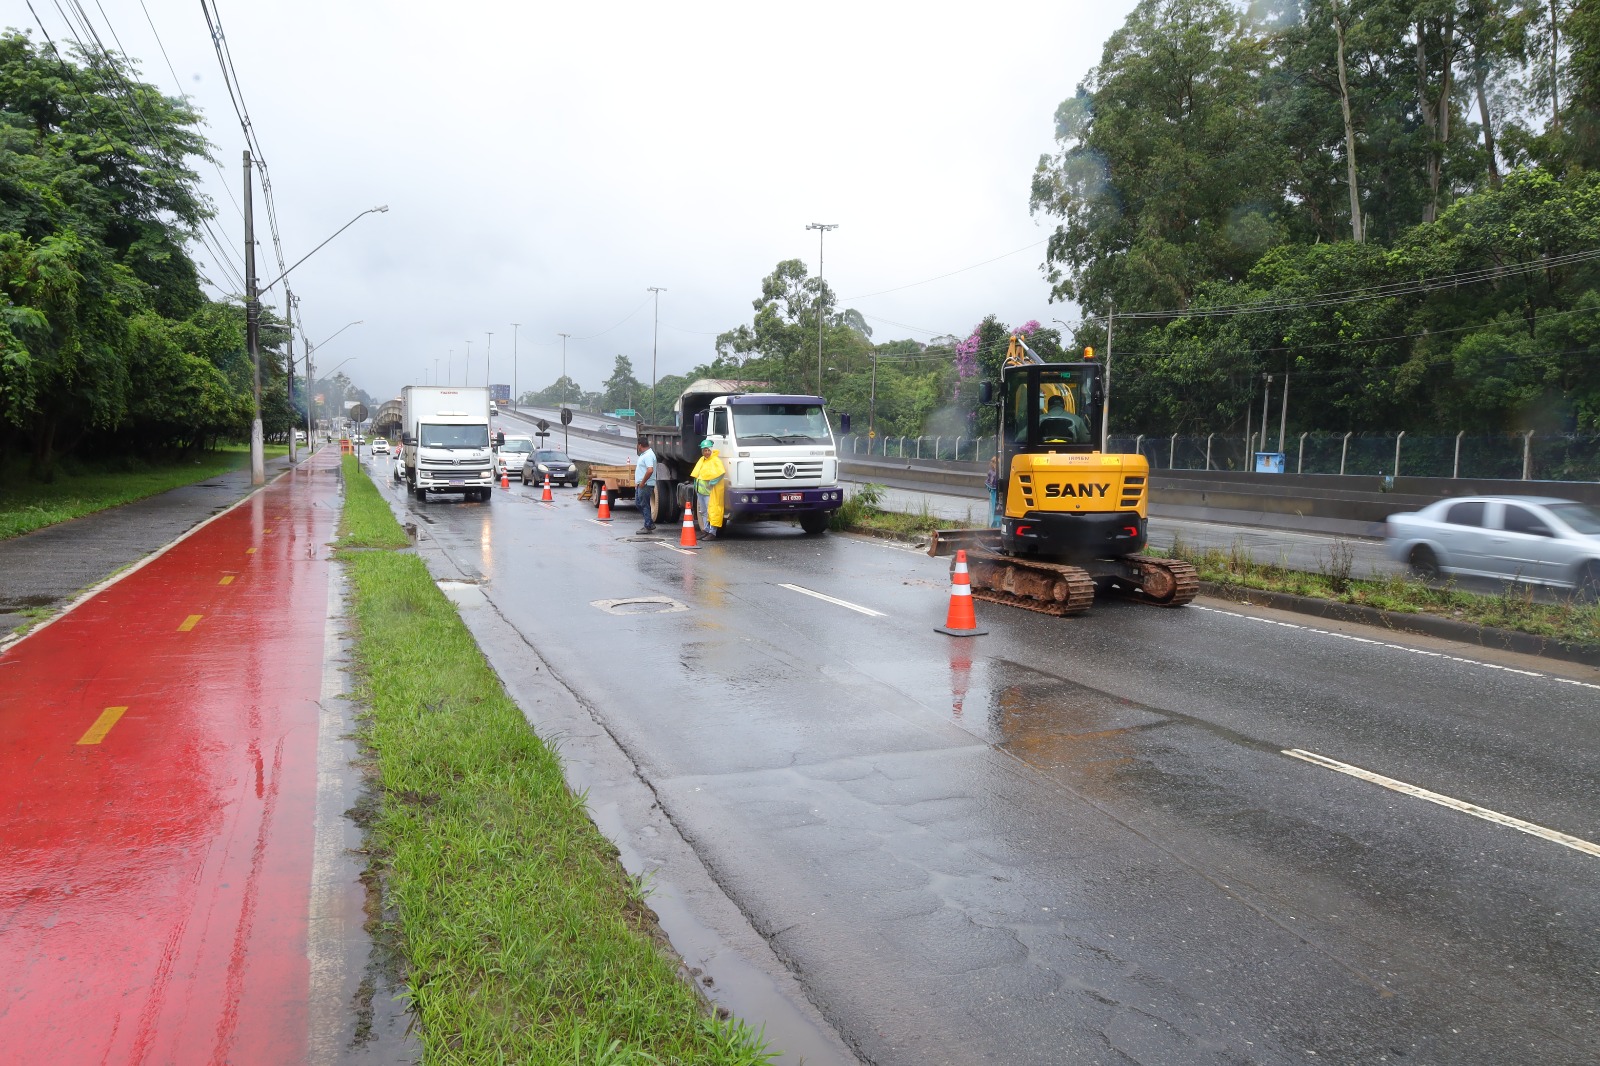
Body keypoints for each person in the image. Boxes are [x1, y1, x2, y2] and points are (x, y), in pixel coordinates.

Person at [690, 438, 726, 538]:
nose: (706, 452)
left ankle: (712, 532)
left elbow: (721, 473)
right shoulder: (702, 460)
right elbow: (698, 474)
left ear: (711, 450)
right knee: (704, 512)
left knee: (712, 511)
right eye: (704, 450)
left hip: (710, 492)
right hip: (701, 491)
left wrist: (712, 482)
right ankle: (706, 530)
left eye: (707, 450)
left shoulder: (715, 460)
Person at [634, 438, 658, 533]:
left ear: (640, 445)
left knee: (644, 504)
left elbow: (650, 470)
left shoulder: (648, 455)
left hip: (646, 484)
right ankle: (649, 523)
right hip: (641, 484)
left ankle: (648, 525)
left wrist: (643, 482)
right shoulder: (645, 455)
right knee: (639, 503)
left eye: (637, 445)